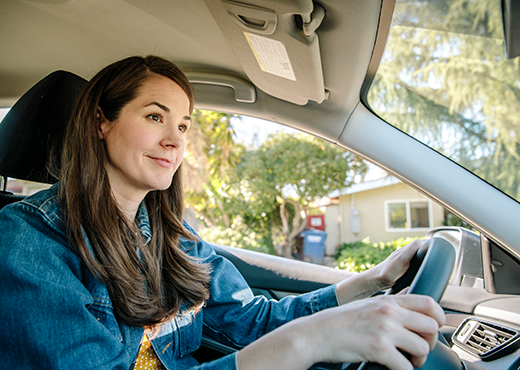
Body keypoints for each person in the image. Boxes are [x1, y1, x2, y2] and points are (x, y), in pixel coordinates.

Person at [0, 55, 444, 370]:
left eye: (182, 125)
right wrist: (303, 343)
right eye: (155, 117)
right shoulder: (28, 242)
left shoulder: (172, 233)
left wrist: (370, 283)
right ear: (102, 121)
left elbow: (246, 321)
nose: (175, 141)